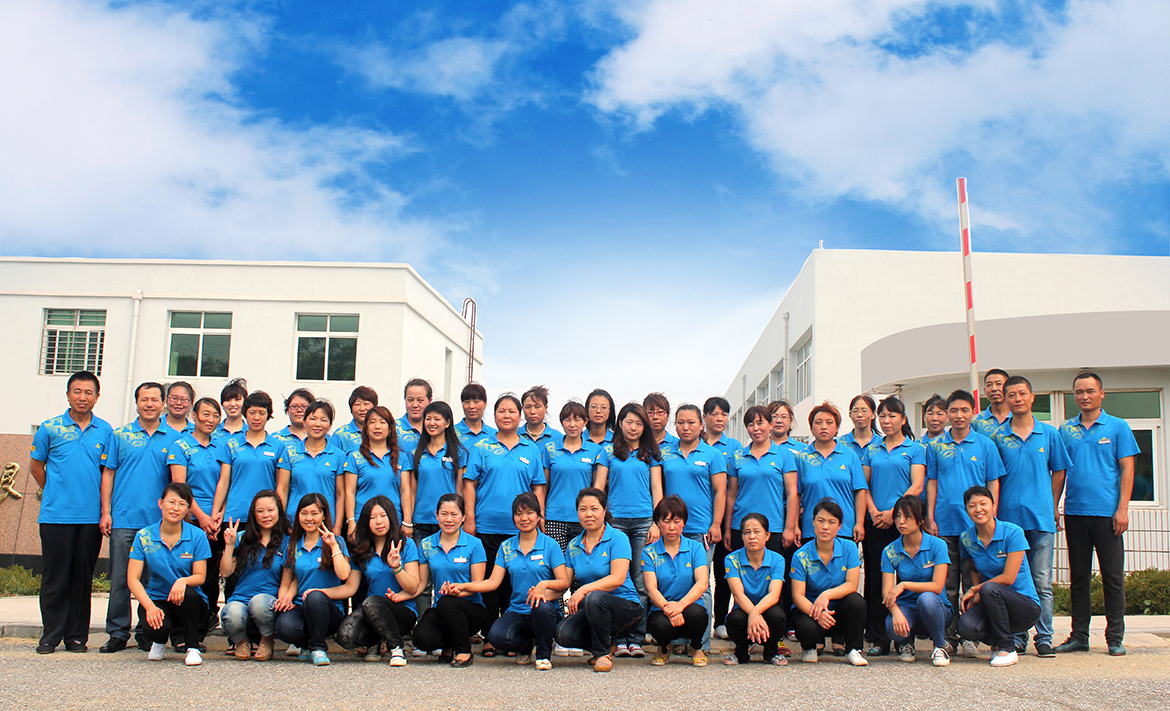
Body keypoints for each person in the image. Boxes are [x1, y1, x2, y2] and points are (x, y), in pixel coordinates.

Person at [1055, 371, 1139, 657]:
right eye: (1079, 392)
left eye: (1090, 391)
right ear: (1074, 395)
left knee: (1112, 577)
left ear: (1102, 393)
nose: (1084, 396)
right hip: (1076, 512)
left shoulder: (1117, 427)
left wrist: (1122, 509)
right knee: (1078, 578)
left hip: (1107, 514)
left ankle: (1114, 637)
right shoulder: (1066, 429)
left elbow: (1128, 468)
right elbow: (1060, 471)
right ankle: (1079, 636)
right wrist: (1055, 506)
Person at [30, 371, 112, 654]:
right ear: (68, 395)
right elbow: (36, 468)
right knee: (55, 578)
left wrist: (104, 511)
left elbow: (106, 473)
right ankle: (50, 635)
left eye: (89, 392)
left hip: (90, 518)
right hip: (56, 517)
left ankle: (76, 637)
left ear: (97, 397)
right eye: (77, 391)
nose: (82, 397)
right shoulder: (49, 428)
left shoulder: (105, 431)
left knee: (81, 578)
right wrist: (54, 491)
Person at [992, 375, 1071, 658]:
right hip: (1009, 523)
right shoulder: (997, 437)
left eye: (1022, 393)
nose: (1017, 399)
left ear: (1032, 397)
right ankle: (1017, 637)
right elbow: (994, 479)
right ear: (1006, 399)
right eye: (1012, 395)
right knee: (1013, 581)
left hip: (1041, 521)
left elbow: (1059, 471)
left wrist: (1051, 504)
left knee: (1041, 582)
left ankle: (1045, 637)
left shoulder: (1049, 434)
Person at [463, 394, 547, 653]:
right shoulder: (482, 447)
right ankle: (490, 636)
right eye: (502, 411)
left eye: (512, 411)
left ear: (519, 416)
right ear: (494, 415)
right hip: (487, 526)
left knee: (513, 584)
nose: (507, 415)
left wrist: (539, 517)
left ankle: (512, 636)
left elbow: (538, 487)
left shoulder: (530, 449)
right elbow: (469, 484)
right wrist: (470, 518)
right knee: (489, 583)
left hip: (520, 529)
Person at [925, 389, 1005, 656]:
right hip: (945, 525)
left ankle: (971, 636)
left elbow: (993, 482)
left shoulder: (985, 444)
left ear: (973, 412)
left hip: (975, 529)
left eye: (964, 410)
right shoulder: (936, 446)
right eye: (954, 410)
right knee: (947, 586)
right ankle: (947, 637)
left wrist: (992, 516)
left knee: (973, 585)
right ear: (947, 414)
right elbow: (932, 483)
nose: (959, 415)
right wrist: (930, 517)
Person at [99, 382, 177, 654]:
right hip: (124, 519)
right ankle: (118, 632)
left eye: (155, 399)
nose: (149, 404)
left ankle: (148, 632)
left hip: (158, 523)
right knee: (121, 579)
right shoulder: (119, 435)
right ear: (137, 403)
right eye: (144, 399)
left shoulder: (174, 438)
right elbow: (108, 474)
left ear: (163, 404)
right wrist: (106, 512)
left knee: (154, 580)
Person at [450, 493, 569, 670]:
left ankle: (543, 654)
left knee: (541, 608)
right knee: (497, 637)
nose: (524, 518)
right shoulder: (506, 546)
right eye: (518, 514)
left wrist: (544, 585)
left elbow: (564, 582)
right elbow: (492, 582)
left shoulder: (550, 545)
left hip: (545, 609)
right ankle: (525, 647)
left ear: (538, 516)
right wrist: (463, 587)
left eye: (529, 513)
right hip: (517, 610)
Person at [594, 402, 663, 657]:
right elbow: (599, 488)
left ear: (644, 427)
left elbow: (657, 489)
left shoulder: (651, 453)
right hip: (615, 523)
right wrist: (600, 521)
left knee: (640, 581)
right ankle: (618, 638)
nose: (633, 427)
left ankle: (636, 638)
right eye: (629, 422)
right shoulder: (607, 451)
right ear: (620, 423)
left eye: (639, 423)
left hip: (644, 522)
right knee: (617, 580)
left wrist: (656, 522)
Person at [860, 396, 926, 656]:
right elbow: (863, 485)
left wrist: (894, 513)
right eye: (882, 416)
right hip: (876, 522)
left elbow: (917, 485)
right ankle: (878, 637)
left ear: (903, 419)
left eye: (892, 416)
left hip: (904, 523)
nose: (886, 421)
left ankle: (904, 638)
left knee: (905, 578)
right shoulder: (872, 449)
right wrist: (873, 510)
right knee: (876, 579)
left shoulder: (915, 449)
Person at [659, 403, 726, 653]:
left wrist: (716, 523)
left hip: (700, 530)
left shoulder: (712, 455)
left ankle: (701, 642)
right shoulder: (664, 453)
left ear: (701, 425)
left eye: (691, 422)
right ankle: (678, 640)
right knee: (675, 583)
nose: (685, 427)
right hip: (671, 529)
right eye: (680, 422)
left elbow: (720, 492)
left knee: (701, 585)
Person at [555, 488, 644, 673]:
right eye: (583, 509)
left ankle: (602, 654)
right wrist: (542, 591)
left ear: (604, 511)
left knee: (594, 596)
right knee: (563, 633)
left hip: (626, 608)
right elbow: (565, 582)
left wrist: (583, 589)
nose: (588, 514)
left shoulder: (618, 538)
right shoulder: (574, 545)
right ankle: (602, 645)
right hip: (593, 608)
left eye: (594, 509)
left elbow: (617, 578)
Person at [127, 482, 211, 666]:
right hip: (158, 597)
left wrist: (182, 581)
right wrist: (149, 606)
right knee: (153, 626)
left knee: (188, 594)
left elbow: (200, 576)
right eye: (171, 502)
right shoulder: (144, 536)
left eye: (182, 504)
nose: (176, 508)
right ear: (161, 503)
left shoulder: (197, 536)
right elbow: (133, 579)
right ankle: (158, 642)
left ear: (188, 509)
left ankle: (192, 647)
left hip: (188, 600)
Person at [955, 486, 1041, 667]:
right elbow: (974, 570)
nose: (978, 509)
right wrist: (978, 595)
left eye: (983, 504)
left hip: (1024, 606)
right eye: (972, 506)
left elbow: (1008, 578)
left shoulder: (1013, 533)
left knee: (990, 588)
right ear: (966, 510)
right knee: (965, 626)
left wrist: (976, 589)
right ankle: (997, 642)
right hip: (992, 601)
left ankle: (1007, 648)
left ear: (993, 506)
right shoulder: (966, 538)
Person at [274, 493, 358, 666]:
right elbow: (288, 581)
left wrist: (333, 546)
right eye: (304, 513)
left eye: (315, 513)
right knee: (284, 627)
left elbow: (344, 575)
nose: (309, 518)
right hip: (300, 605)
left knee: (315, 597)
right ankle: (306, 646)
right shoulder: (293, 545)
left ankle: (318, 648)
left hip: (328, 608)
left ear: (324, 515)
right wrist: (285, 599)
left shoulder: (337, 541)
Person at [335, 495, 420, 665]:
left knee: (371, 603)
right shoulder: (361, 548)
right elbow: (350, 588)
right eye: (372, 518)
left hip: (401, 610)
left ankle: (396, 647)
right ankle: (375, 641)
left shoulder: (406, 544)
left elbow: (413, 587)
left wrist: (397, 568)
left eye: (383, 516)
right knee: (346, 636)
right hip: (370, 610)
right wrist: (319, 592)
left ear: (392, 517)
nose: (378, 522)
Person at [167, 397, 225, 639]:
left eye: (215, 415)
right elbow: (180, 486)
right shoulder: (181, 446)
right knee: (188, 573)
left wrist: (216, 516)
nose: (210, 420)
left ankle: (203, 626)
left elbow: (226, 482)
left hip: (215, 521)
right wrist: (200, 517)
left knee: (210, 576)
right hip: (190, 521)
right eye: (205, 414)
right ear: (194, 416)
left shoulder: (222, 446)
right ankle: (181, 632)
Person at [414, 494, 489, 667]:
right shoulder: (426, 544)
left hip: (470, 609)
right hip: (441, 608)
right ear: (436, 515)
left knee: (448, 602)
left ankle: (464, 651)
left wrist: (459, 591)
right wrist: (399, 595)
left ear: (463, 517)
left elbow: (478, 584)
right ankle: (448, 645)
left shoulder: (474, 544)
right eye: (444, 514)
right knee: (422, 638)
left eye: (454, 514)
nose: (449, 519)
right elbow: (422, 585)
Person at [790, 500, 867, 666]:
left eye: (832, 522)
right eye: (821, 520)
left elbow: (852, 584)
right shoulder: (800, 556)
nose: (825, 527)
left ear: (839, 526)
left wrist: (826, 595)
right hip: (810, 610)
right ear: (813, 522)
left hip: (838, 611)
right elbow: (797, 596)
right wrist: (817, 613)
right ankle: (809, 647)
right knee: (806, 627)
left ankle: (853, 650)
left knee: (857, 601)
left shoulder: (849, 548)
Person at [881, 495, 952, 666]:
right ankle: (905, 643)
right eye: (898, 516)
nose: (901, 522)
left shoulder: (937, 545)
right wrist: (896, 613)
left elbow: (937, 586)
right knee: (892, 628)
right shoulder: (890, 551)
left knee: (926, 598)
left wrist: (904, 584)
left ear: (920, 520)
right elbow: (886, 591)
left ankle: (940, 646)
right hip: (907, 607)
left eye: (908, 516)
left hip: (936, 607)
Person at [219, 490, 288, 661]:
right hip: (241, 597)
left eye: (270, 510)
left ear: (279, 511)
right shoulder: (241, 538)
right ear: (253, 514)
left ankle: (267, 639)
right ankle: (241, 641)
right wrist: (229, 545)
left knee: (259, 603)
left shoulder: (287, 541)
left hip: (269, 600)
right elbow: (226, 572)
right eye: (260, 511)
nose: (266, 515)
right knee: (231, 613)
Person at [642, 496, 710, 666]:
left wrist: (680, 606)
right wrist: (669, 609)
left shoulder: (696, 548)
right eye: (666, 521)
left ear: (684, 523)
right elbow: (651, 588)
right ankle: (664, 648)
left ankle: (696, 647)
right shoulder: (649, 552)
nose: (672, 527)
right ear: (658, 523)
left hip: (689, 606)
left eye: (677, 521)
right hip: (662, 608)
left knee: (698, 614)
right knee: (658, 624)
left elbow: (702, 583)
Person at [794, 402, 868, 543]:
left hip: (844, 528)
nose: (824, 427)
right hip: (812, 530)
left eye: (829, 422)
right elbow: (796, 495)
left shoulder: (849, 455)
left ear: (837, 428)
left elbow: (860, 491)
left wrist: (859, 523)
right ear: (811, 428)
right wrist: (795, 526)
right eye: (818, 422)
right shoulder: (802, 458)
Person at [723, 513, 786, 666]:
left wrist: (755, 613)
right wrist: (753, 614)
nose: (752, 536)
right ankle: (741, 652)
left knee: (777, 616)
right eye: (747, 532)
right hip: (743, 609)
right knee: (735, 620)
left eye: (757, 532)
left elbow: (774, 594)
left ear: (767, 535)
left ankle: (771, 653)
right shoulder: (731, 559)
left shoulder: (777, 559)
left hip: (768, 609)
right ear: (742, 537)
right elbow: (738, 594)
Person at [703, 396, 742, 642]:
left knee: (722, 570)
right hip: (697, 517)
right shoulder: (694, 442)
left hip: (725, 517)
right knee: (699, 573)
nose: (720, 419)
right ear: (704, 417)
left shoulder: (734, 446)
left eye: (724, 414)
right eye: (715, 414)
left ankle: (721, 621)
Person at [277, 401, 344, 535]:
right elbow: (282, 489)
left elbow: (340, 494)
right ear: (304, 421)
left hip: (326, 523)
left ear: (330, 425)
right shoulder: (290, 453)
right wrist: (283, 521)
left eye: (323, 420)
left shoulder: (339, 456)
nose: (317, 424)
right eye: (313, 419)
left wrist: (337, 526)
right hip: (295, 521)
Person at [545, 401, 601, 552]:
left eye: (577, 420)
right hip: (555, 517)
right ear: (562, 422)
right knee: (557, 563)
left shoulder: (595, 450)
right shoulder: (550, 449)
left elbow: (597, 486)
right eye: (567, 420)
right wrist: (541, 513)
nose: (572, 425)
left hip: (585, 517)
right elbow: (544, 486)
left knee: (582, 562)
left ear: (585, 422)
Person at [343, 405, 405, 539]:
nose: (377, 427)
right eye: (372, 422)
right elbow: (349, 492)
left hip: (392, 521)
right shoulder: (355, 457)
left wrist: (407, 522)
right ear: (366, 428)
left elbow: (406, 491)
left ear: (390, 429)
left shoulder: (402, 457)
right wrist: (351, 522)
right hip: (363, 521)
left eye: (382, 422)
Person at [332, 386, 378, 454]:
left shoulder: (382, 432)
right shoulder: (340, 434)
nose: (362, 409)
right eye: (357, 404)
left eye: (366, 404)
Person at [521, 385, 563, 457]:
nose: (532, 411)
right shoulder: (515, 435)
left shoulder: (557, 438)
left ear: (545, 408)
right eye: (528, 407)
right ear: (522, 409)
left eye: (537, 407)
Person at [841, 395, 881, 462]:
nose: (859, 415)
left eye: (864, 411)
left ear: (873, 414)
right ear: (850, 414)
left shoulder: (882, 444)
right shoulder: (840, 444)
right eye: (855, 411)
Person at [275, 388, 315, 454]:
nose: (299, 410)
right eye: (294, 406)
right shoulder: (276, 439)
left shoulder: (322, 438)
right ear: (287, 410)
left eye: (304, 407)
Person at [972, 369, 1011, 437]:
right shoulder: (976, 421)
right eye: (989, 385)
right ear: (985, 391)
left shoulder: (1018, 418)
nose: (994, 389)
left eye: (999, 384)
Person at [399, 378, 433, 453]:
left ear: (430, 401)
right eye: (410, 400)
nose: (415, 405)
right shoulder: (393, 429)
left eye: (420, 400)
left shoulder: (436, 429)